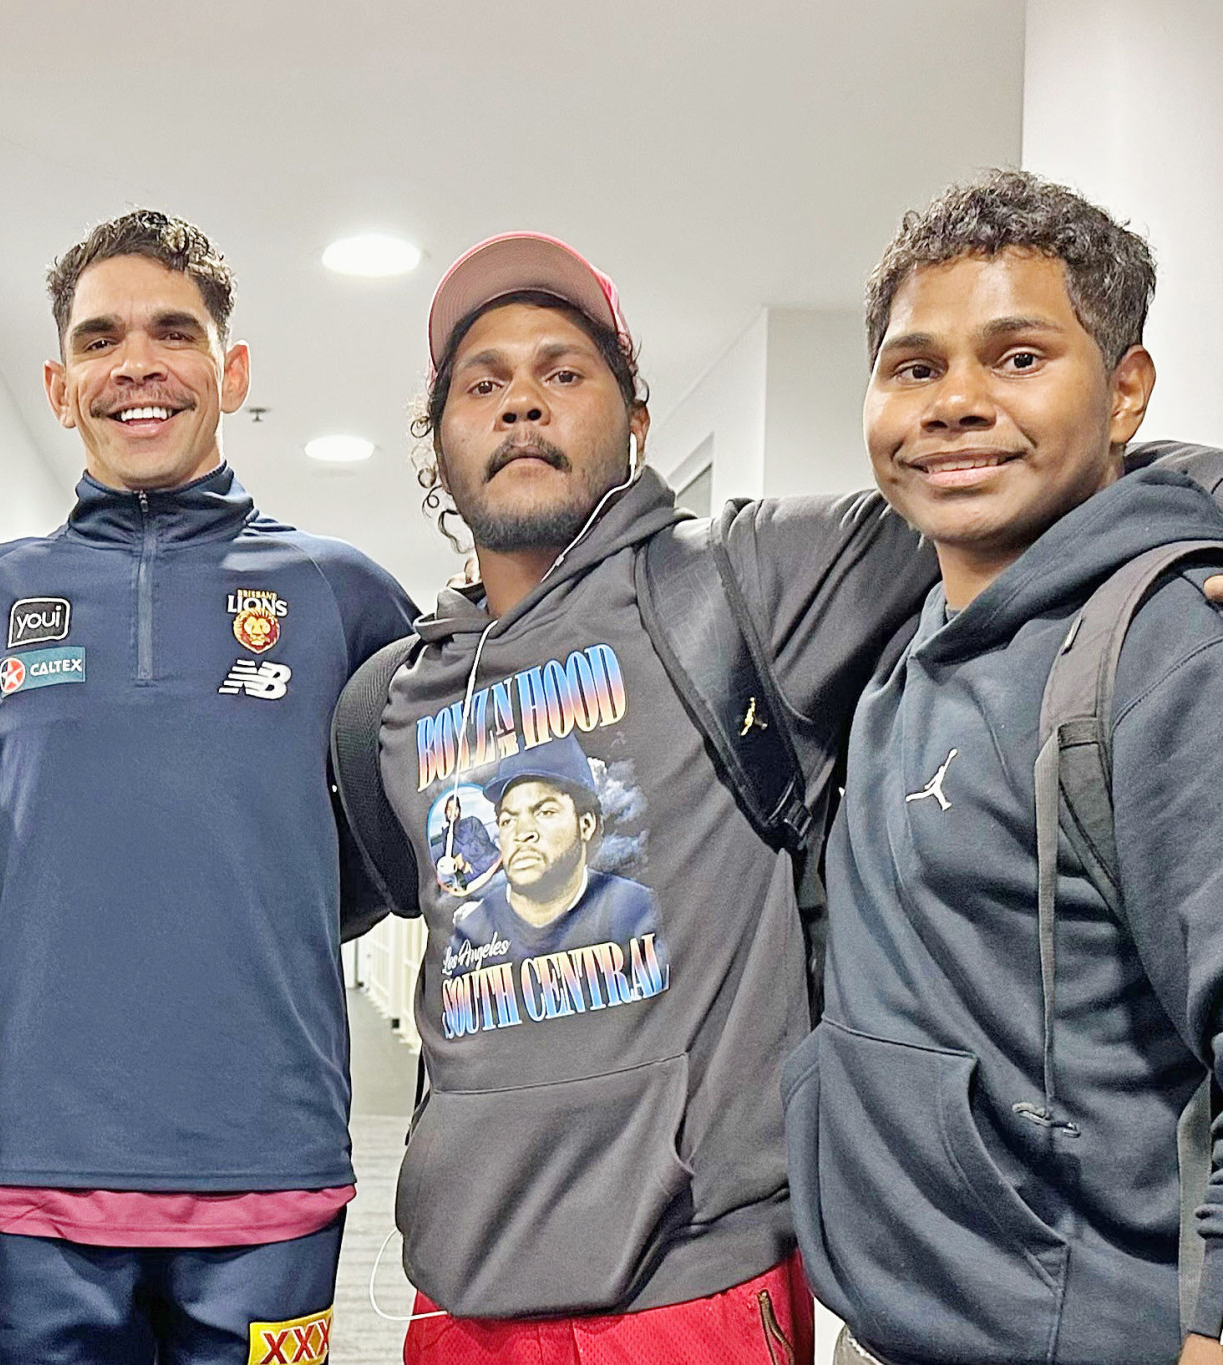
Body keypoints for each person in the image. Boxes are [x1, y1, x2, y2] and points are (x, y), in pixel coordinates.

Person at [356, 228, 1223, 1363]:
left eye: (563, 373)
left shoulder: (749, 577)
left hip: (689, 1279)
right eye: (483, 383)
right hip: (458, 1282)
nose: (522, 404)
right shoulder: (393, 698)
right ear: (436, 438)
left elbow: (1012, 474)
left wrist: (1195, 503)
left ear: (637, 422)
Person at [0, 210, 417, 1365]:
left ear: (227, 371)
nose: (136, 363)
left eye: (172, 332)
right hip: (36, 1159)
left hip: (267, 1154)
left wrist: (284, 911)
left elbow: (419, 835)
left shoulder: (342, 593)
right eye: (99, 337)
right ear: (59, 384)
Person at [784, 172, 1223, 1365]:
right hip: (895, 1325)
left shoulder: (1170, 651)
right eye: (913, 368)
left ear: (1124, 390)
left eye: (1018, 357)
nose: (955, 403)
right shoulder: (894, 643)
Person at [447, 733, 659, 961]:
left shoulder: (637, 909)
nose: (523, 833)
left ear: (586, 825)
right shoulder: (474, 929)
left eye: (545, 812)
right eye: (508, 820)